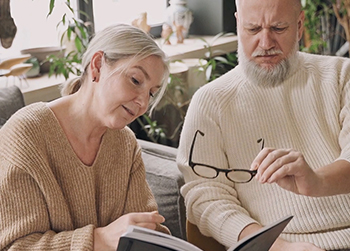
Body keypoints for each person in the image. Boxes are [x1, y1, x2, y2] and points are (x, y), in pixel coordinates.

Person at [176, 0, 350, 250]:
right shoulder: (210, 102)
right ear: (238, 25)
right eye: (253, 29)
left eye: (278, 28)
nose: (266, 43)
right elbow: (206, 199)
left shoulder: (341, 76)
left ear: (299, 25)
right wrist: (278, 247)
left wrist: (317, 181)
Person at [0, 23, 170, 251]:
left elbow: (146, 228)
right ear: (97, 66)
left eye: (151, 92)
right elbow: (17, 246)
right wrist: (98, 240)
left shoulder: (125, 143)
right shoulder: (26, 135)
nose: (143, 102)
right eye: (136, 80)